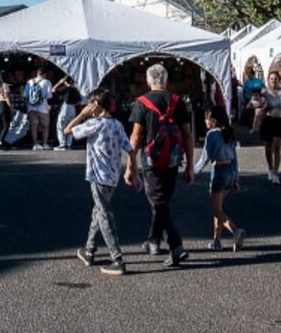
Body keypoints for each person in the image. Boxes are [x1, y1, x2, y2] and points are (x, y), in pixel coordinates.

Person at [124, 63, 194, 267]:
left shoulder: (142, 103)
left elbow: (136, 136)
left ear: (148, 80)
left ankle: (176, 245)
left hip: (151, 160)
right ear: (166, 80)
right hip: (173, 159)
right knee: (161, 201)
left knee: (158, 202)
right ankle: (153, 240)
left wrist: (131, 165)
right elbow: (188, 135)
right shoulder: (177, 102)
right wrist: (190, 165)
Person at [64, 88, 134, 276]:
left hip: (98, 176)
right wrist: (130, 168)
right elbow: (130, 148)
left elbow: (67, 130)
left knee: (104, 215)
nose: (87, 106)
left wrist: (81, 114)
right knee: (98, 211)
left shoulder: (95, 123)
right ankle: (89, 250)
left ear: (95, 105)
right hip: (112, 177)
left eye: (89, 104)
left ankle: (117, 258)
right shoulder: (118, 124)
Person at [194, 106, 246, 252]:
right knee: (219, 208)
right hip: (230, 170)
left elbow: (205, 157)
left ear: (212, 120)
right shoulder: (228, 133)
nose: (205, 121)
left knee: (215, 209)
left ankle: (236, 230)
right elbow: (234, 157)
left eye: (206, 118)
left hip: (219, 171)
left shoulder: (211, 134)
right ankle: (216, 240)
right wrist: (236, 178)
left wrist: (193, 172)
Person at [23, 68, 53, 150]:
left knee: (34, 126)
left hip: (31, 107)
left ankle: (35, 144)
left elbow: (25, 95)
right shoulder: (47, 82)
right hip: (43, 107)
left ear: (37, 73)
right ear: (44, 74)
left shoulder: (29, 81)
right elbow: (49, 96)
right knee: (45, 126)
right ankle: (45, 144)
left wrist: (29, 105)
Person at [52, 76, 81, 151]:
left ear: (66, 82)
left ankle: (62, 144)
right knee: (70, 125)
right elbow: (79, 101)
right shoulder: (75, 90)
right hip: (72, 108)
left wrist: (60, 82)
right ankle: (68, 144)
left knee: (60, 126)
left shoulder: (65, 88)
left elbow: (53, 90)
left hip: (65, 107)